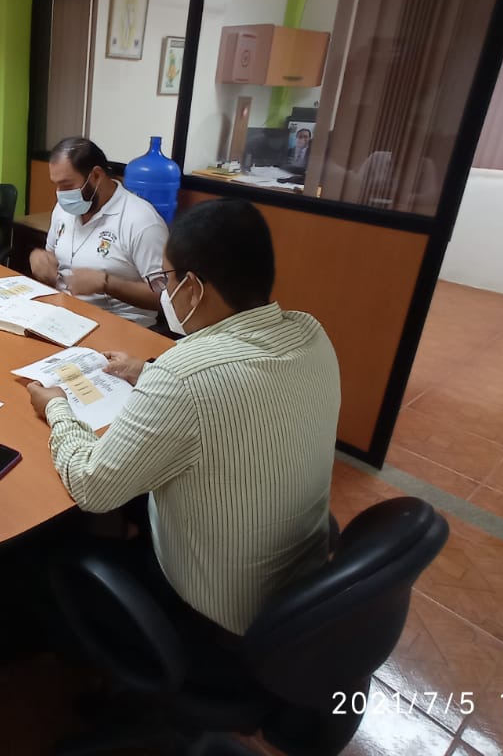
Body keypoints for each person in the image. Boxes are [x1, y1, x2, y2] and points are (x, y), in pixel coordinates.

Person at [26, 198, 340, 639]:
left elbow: (92, 487)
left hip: (216, 614)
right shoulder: (311, 332)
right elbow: (233, 385)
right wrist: (146, 371)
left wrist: (56, 406)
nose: (165, 291)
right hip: (298, 587)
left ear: (192, 287)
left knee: (50, 555)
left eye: (167, 279)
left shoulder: (184, 375)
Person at [29, 136, 167, 326]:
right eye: (57, 185)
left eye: (67, 185)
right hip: (63, 315)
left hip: (119, 325)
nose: (60, 194)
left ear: (96, 176)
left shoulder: (142, 220)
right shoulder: (64, 209)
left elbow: (167, 298)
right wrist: (40, 260)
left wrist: (106, 283)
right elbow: (51, 256)